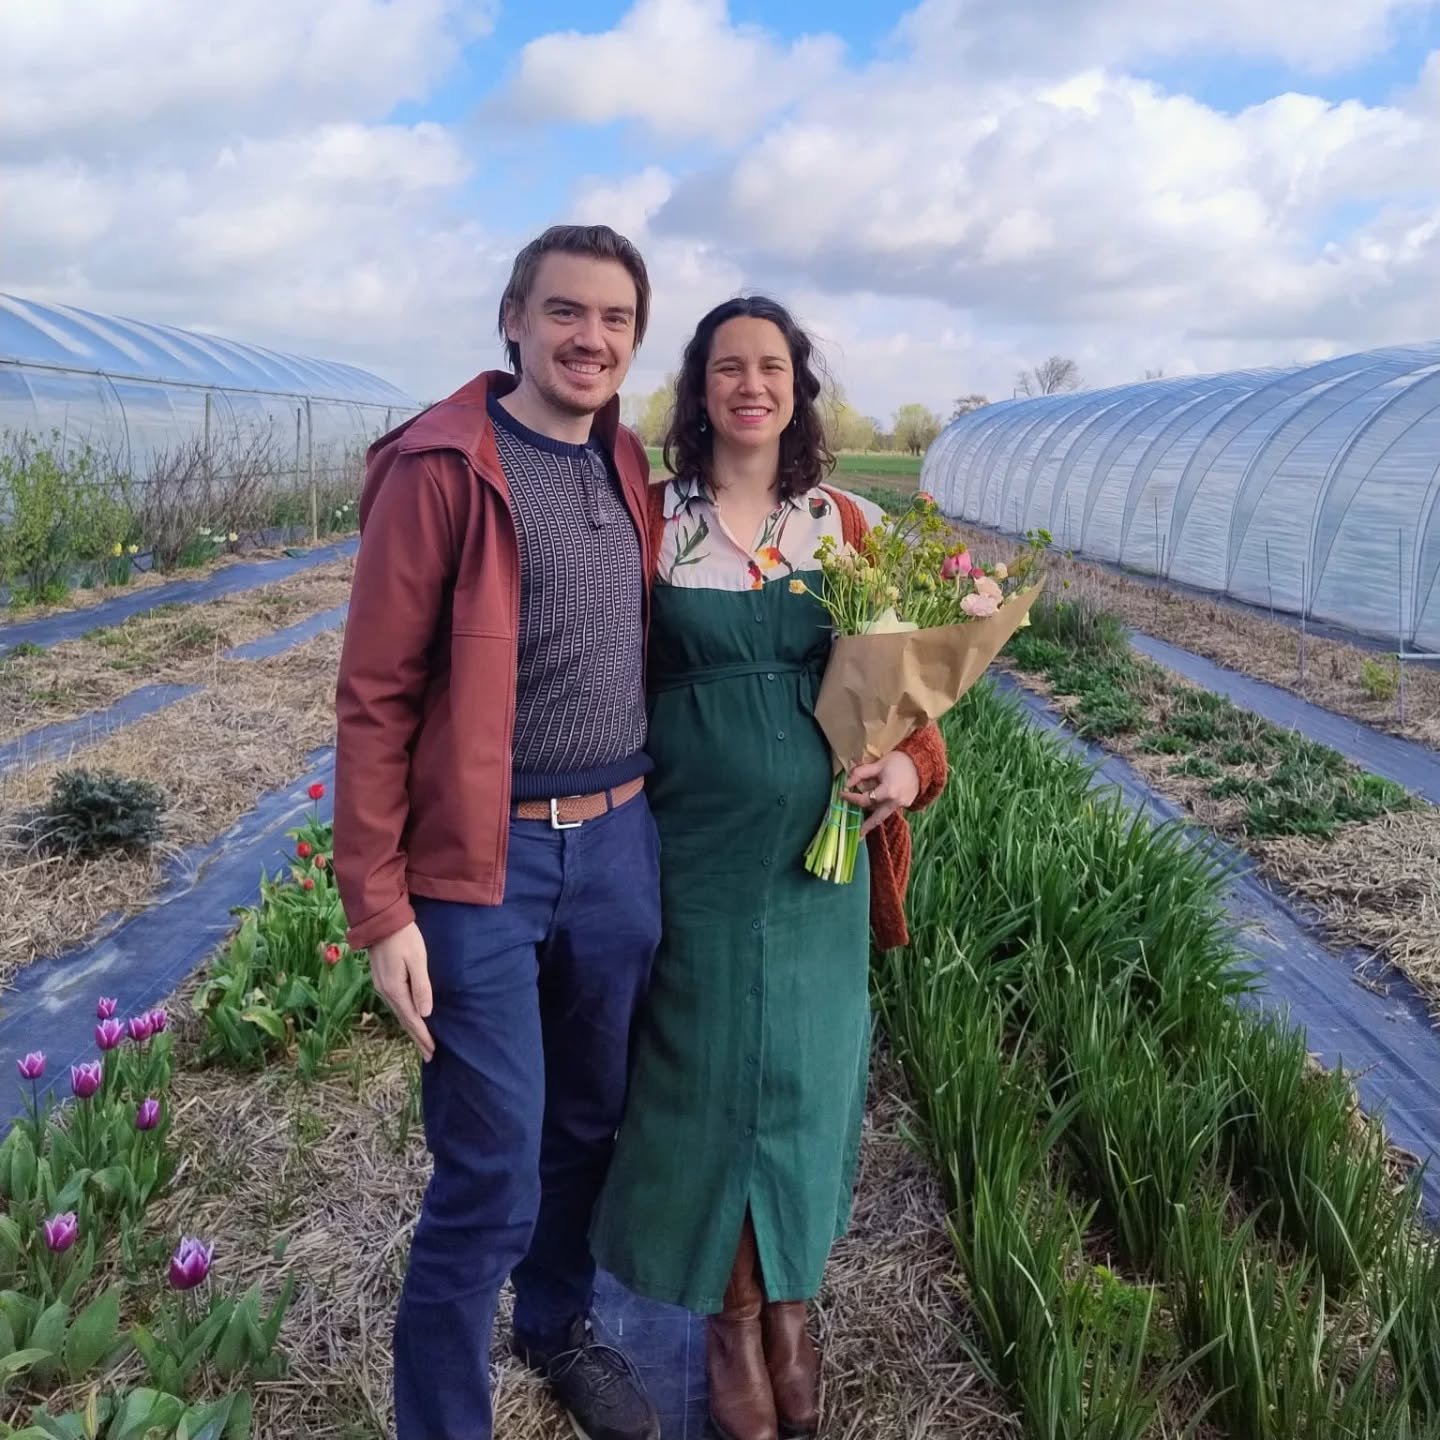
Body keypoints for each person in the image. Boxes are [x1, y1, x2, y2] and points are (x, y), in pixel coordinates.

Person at [589, 295, 948, 1440]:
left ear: (798, 387)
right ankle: (730, 1318)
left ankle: (793, 1309)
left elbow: (909, 697)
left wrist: (906, 777)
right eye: (728, 367)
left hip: (819, 874)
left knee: (804, 1086)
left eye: (773, 367)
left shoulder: (844, 525)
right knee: (699, 1085)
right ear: (697, 388)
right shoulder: (649, 520)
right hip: (686, 857)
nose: (751, 384)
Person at [333, 224, 665, 1440]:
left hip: (621, 844)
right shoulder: (441, 468)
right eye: (567, 312)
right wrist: (380, 906)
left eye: (617, 320)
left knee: (587, 1121)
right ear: (514, 318)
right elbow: (374, 698)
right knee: (490, 1167)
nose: (592, 339)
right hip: (485, 861)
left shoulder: (628, 465)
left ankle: (556, 1324)